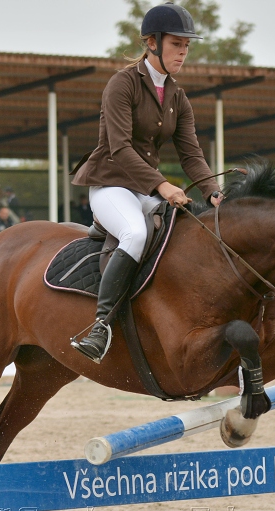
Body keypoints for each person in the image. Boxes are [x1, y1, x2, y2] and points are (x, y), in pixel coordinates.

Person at [70, 2, 222, 363]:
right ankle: (101, 327)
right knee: (135, 234)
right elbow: (120, 148)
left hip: (145, 190)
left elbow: (191, 154)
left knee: (192, 230)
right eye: (176, 44)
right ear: (152, 43)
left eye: (187, 46)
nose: (183, 52)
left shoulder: (178, 97)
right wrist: (163, 186)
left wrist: (213, 191)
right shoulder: (122, 83)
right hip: (110, 185)